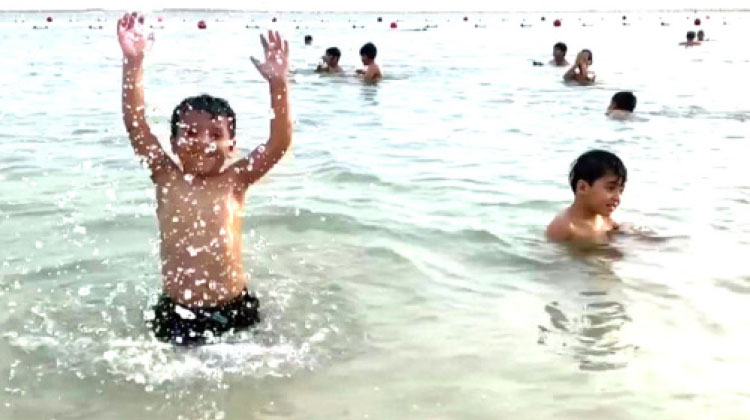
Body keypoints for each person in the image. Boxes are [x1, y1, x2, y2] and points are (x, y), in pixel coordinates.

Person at [116, 13, 292, 345]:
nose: (202, 142)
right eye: (191, 133)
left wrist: (278, 85)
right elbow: (135, 124)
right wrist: (134, 63)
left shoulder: (235, 180)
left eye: (215, 134)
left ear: (232, 145)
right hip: (177, 311)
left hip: (233, 307)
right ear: (172, 143)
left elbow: (278, 143)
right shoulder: (165, 175)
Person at [546, 150, 627, 243]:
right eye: (610, 188)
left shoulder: (604, 218)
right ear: (583, 187)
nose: (617, 198)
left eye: (621, 191)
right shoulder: (563, 227)